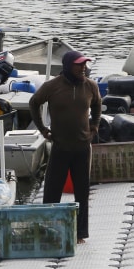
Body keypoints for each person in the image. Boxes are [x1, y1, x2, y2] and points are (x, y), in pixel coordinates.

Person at [29, 50, 101, 243]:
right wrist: (42, 129)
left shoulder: (91, 86)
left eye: (85, 64)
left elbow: (97, 105)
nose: (83, 67)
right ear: (68, 66)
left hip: (82, 148)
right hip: (60, 147)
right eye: (79, 64)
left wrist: (94, 127)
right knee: (52, 191)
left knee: (82, 192)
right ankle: (48, 231)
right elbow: (34, 103)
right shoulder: (52, 86)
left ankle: (80, 234)